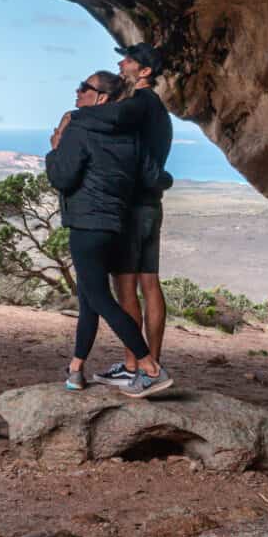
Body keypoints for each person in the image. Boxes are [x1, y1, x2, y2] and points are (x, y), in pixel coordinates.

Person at [46, 71, 174, 398]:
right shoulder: (129, 134)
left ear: (102, 98)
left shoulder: (79, 127)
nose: (77, 92)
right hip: (115, 225)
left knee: (100, 298)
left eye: (84, 88)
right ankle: (76, 369)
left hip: (87, 224)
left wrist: (54, 148)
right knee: (90, 299)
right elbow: (154, 176)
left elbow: (62, 177)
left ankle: (149, 366)